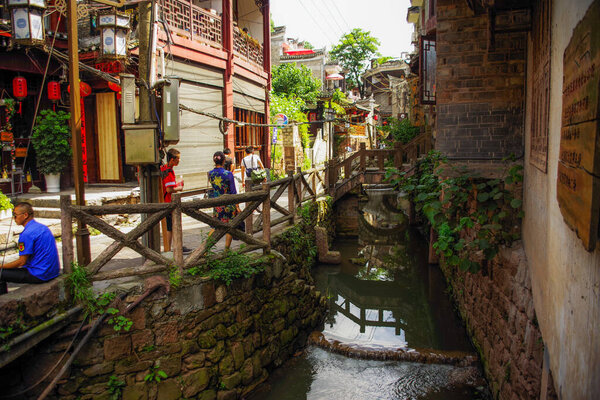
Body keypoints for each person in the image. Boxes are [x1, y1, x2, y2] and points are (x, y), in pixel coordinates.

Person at [0, 202, 59, 295]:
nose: (14, 218)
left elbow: (21, 262)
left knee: (1, 273)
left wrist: (1, 266)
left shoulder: (26, 234)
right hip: (52, 272)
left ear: (25, 215)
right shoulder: (42, 227)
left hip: (39, 275)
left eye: (15, 215)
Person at [208, 151, 240, 250]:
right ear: (224, 161)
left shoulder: (210, 174)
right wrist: (237, 206)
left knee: (215, 227)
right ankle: (226, 250)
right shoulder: (228, 174)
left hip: (217, 204)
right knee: (230, 226)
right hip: (228, 204)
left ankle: (205, 249)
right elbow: (233, 191)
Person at [160, 148, 190, 253]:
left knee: (171, 227)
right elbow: (169, 189)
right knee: (171, 227)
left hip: (165, 201)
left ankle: (172, 247)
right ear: (172, 159)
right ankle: (171, 248)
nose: (179, 161)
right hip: (168, 202)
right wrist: (179, 187)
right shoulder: (168, 171)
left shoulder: (163, 168)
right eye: (178, 159)